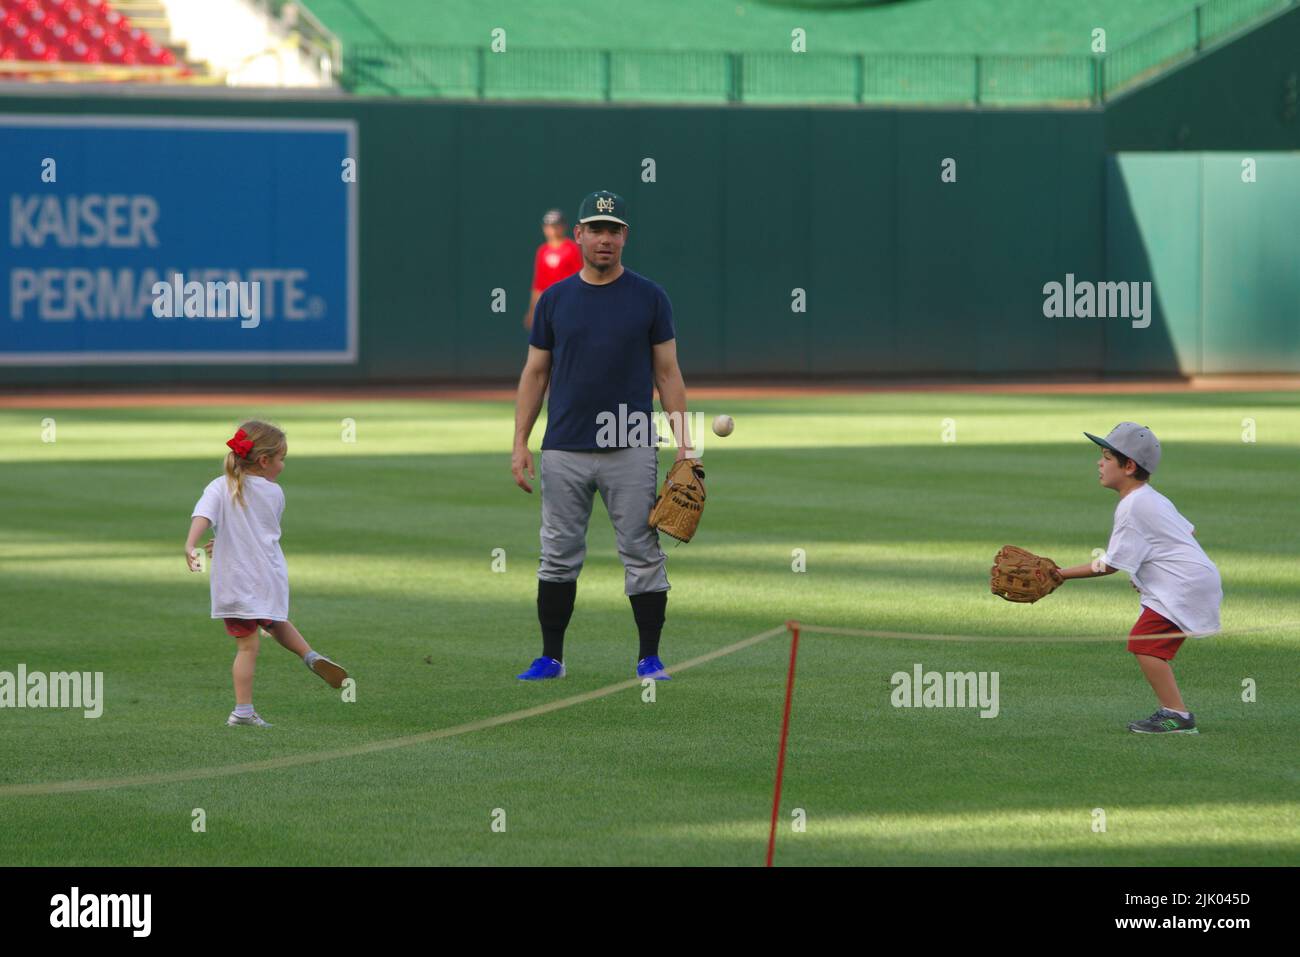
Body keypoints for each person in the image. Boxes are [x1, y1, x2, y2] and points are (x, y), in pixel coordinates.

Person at [511, 190, 695, 681]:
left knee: (641, 551)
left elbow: (668, 373)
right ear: (579, 236)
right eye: (595, 229)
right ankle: (551, 657)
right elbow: (534, 374)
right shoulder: (556, 299)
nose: (605, 238)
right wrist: (519, 442)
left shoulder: (649, 296)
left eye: (613, 230)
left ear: (624, 237)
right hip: (565, 446)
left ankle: (649, 659)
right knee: (558, 554)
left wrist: (685, 445)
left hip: (631, 443)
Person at [1055, 422, 1222, 734]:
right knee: (1147, 642)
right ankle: (1175, 713)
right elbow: (1187, 531)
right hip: (1191, 579)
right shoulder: (1150, 497)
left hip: (1186, 585)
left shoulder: (1133, 505)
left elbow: (1108, 565)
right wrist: (1152, 572)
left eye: (1107, 457)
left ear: (1129, 466)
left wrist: (1059, 574)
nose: (1099, 463)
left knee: (1145, 643)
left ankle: (1177, 716)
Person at [185, 420, 348, 727]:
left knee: (247, 646)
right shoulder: (274, 493)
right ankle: (309, 655)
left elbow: (204, 516)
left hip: (234, 580)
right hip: (269, 574)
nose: (282, 466)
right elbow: (256, 532)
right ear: (263, 461)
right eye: (281, 459)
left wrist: (191, 544)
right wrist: (226, 540)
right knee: (273, 620)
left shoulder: (219, 486)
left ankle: (242, 712)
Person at [523, 208, 582, 332]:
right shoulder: (542, 251)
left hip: (568, 304)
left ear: (563, 227)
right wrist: (532, 310)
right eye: (549, 226)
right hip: (548, 305)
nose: (552, 230)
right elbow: (538, 283)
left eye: (556, 226)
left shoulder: (572, 248)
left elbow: (580, 278)